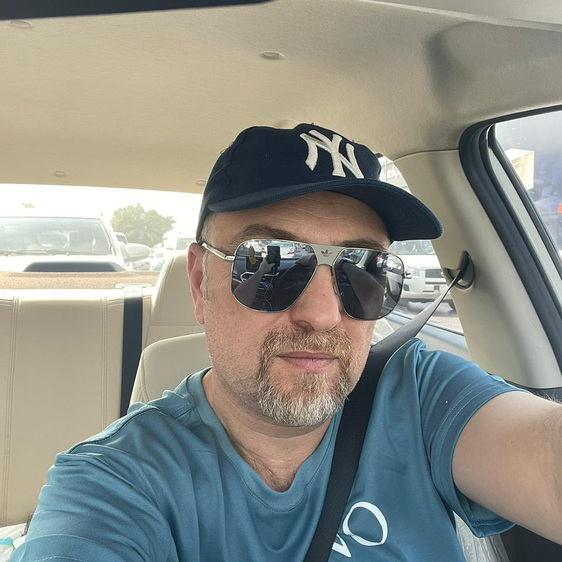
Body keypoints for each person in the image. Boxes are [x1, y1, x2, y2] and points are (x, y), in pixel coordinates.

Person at [13, 124, 562, 561]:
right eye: (270, 264)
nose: (322, 315)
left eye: (364, 270)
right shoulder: (115, 482)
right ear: (201, 283)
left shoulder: (420, 395)